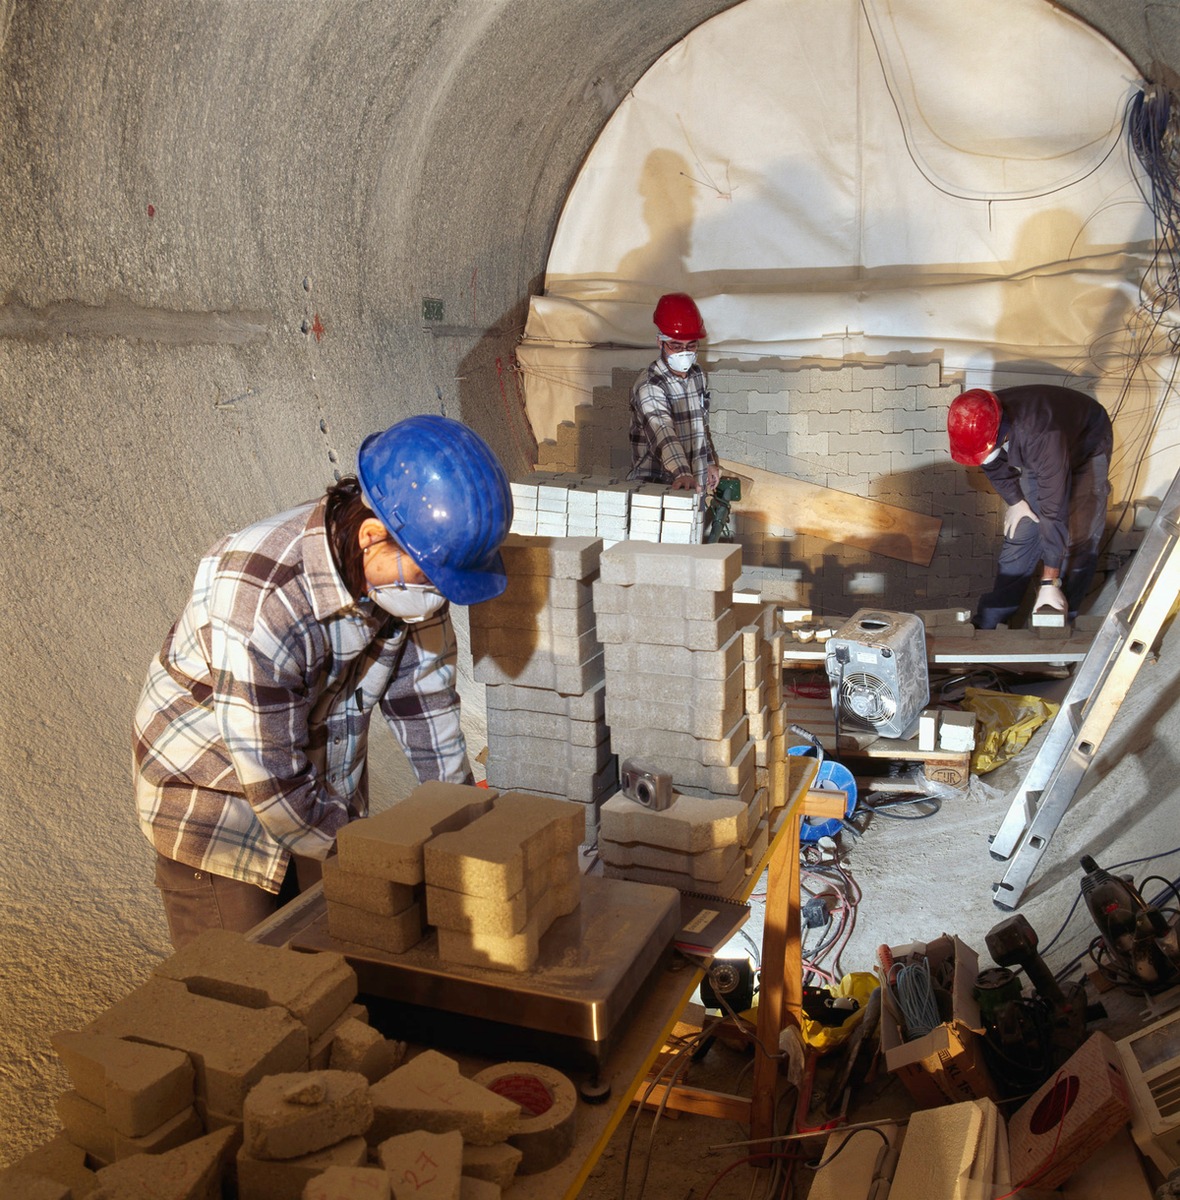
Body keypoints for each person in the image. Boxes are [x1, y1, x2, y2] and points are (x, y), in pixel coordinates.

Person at [133, 415, 512, 948]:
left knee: (333, 957)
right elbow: (272, 783)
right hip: (218, 793)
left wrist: (459, 826)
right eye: (429, 581)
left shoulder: (411, 565)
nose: (433, 600)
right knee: (247, 988)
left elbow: (424, 701)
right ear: (372, 535)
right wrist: (384, 863)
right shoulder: (263, 594)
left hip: (317, 775)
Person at [946, 384, 1112, 630]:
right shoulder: (977, 418)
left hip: (1087, 446)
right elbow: (990, 462)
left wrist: (1049, 582)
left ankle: (1061, 621)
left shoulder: (1042, 438)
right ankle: (988, 625)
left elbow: (1053, 512)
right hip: (1044, 446)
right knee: (1022, 534)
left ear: (998, 434)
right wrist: (1015, 500)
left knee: (1079, 537)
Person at [629, 292, 721, 494]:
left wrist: (708, 462)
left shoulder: (698, 376)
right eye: (676, 346)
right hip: (655, 486)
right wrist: (682, 473)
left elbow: (700, 426)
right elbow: (663, 431)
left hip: (691, 482)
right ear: (660, 342)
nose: (684, 353)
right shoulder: (650, 386)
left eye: (691, 346)